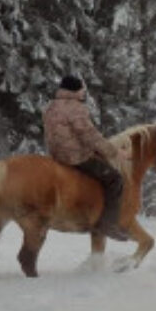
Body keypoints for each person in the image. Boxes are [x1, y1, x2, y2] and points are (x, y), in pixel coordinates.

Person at [42, 75, 128, 241]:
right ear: (74, 90)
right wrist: (114, 152)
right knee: (115, 179)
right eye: (82, 89)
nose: (84, 92)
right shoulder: (76, 108)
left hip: (56, 156)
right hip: (75, 157)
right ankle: (109, 224)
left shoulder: (50, 106)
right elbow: (88, 135)